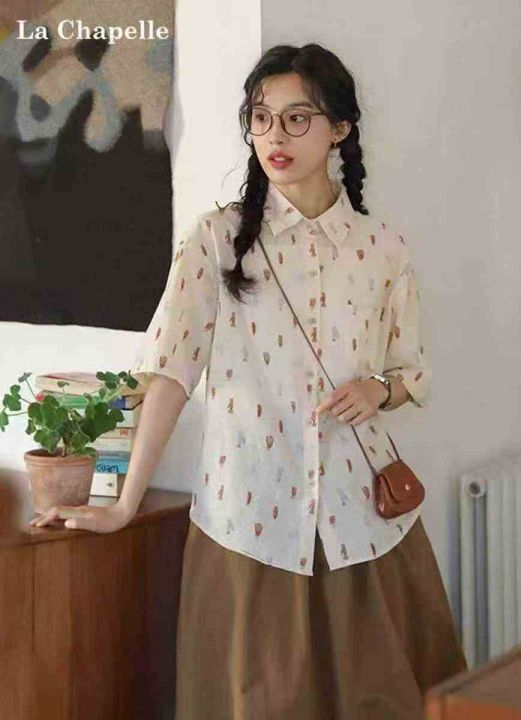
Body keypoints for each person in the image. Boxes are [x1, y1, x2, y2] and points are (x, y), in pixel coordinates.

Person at [30, 43, 468, 720]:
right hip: (251, 518)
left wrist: (379, 390)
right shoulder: (215, 240)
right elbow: (170, 375)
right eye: (260, 118)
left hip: (363, 523)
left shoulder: (382, 248)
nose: (274, 137)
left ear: (340, 128)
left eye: (297, 118)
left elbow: (412, 371)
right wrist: (122, 504)